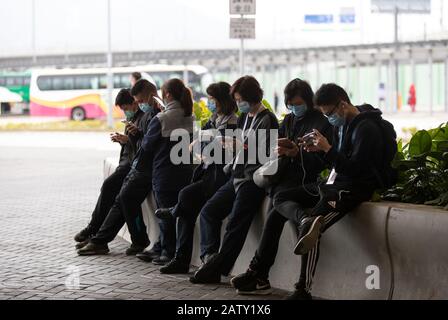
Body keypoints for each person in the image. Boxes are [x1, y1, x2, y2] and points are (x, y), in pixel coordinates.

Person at [231, 83, 396, 299]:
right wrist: (316, 150)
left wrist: (326, 149)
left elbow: (355, 170)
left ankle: (303, 289)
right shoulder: (342, 124)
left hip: (350, 191)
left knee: (313, 229)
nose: (328, 118)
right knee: (281, 198)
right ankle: (298, 226)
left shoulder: (366, 129)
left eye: (329, 113)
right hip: (331, 184)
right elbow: (336, 162)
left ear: (343, 105)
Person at [189, 76, 279, 284]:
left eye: (240, 100)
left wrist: (241, 147)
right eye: (237, 100)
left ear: (252, 96)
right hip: (237, 175)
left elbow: (268, 153)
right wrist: (232, 146)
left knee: (236, 225)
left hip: (253, 179)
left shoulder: (267, 119)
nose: (238, 104)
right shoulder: (246, 117)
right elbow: (242, 144)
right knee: (209, 212)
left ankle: (217, 268)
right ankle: (210, 258)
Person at [148, 82, 238, 273]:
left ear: (222, 100)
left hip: (218, 178)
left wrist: (205, 143)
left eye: (212, 99)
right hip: (207, 174)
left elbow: (214, 151)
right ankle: (181, 259)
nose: (209, 103)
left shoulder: (231, 122)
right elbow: (197, 143)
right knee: (186, 210)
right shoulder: (215, 119)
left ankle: (174, 213)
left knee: (187, 197)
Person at [77, 80, 162, 256]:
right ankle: (103, 237)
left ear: (150, 95)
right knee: (121, 197)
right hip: (139, 167)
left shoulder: (159, 115)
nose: (138, 105)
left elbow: (149, 145)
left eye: (139, 101)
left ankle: (101, 238)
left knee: (121, 196)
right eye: (137, 102)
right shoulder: (149, 115)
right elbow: (145, 142)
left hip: (146, 169)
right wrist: (134, 136)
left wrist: (132, 137)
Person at [131, 78, 195, 265]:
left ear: (167, 94)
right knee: (177, 213)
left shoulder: (162, 118)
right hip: (184, 171)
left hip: (164, 172)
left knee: (163, 214)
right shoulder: (189, 115)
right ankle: (162, 248)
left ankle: (166, 252)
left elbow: (148, 145)